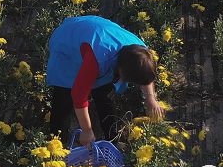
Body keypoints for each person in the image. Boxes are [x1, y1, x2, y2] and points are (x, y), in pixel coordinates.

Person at [47, 16, 164, 146]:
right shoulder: (97, 60)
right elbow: (78, 95)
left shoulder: (141, 52)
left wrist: (150, 98)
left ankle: (112, 139)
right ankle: (56, 145)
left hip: (96, 32)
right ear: (121, 70)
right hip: (68, 40)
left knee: (103, 94)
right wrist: (87, 130)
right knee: (64, 98)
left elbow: (145, 75)